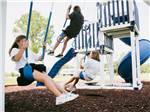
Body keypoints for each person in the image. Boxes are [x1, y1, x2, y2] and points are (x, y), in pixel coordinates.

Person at [9, 35, 79, 105]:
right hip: (25, 70)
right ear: (18, 42)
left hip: (33, 68)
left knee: (49, 79)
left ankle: (66, 93)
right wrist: (22, 48)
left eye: (26, 41)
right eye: (23, 41)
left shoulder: (28, 51)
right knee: (46, 78)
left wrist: (43, 48)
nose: (25, 42)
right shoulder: (15, 50)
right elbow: (16, 59)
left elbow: (40, 58)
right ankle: (60, 96)